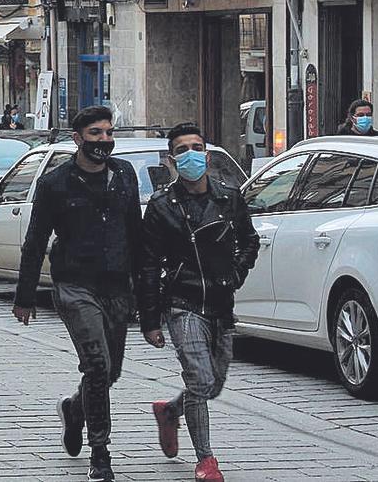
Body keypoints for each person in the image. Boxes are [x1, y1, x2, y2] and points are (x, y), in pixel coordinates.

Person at [14, 105, 142, 482]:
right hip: (75, 286)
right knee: (97, 366)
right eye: (95, 134)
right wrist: (23, 296)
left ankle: (73, 409)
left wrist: (145, 290)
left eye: (108, 133)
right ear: (78, 139)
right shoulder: (56, 183)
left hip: (117, 286)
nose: (104, 140)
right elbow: (35, 240)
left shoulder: (124, 175)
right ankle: (100, 455)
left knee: (110, 371)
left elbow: (135, 232)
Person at [138, 123, 259, 482]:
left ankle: (171, 410)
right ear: (173, 159)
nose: (190, 154)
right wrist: (149, 319)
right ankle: (206, 460)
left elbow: (248, 240)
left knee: (211, 384)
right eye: (182, 149)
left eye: (196, 147)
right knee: (199, 377)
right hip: (182, 301)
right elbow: (146, 264)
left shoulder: (229, 196)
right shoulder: (162, 206)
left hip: (221, 301)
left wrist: (237, 272)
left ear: (205, 154)